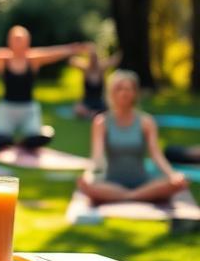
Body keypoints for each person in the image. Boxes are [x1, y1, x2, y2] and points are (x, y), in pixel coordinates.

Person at [77, 70, 188, 203]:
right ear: (111, 93)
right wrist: (89, 175)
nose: (124, 93)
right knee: (87, 186)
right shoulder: (101, 122)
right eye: (119, 89)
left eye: (128, 89)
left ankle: (126, 196)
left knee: (175, 184)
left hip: (142, 181)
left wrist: (173, 175)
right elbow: (97, 156)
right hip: (111, 182)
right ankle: (138, 196)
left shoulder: (146, 121)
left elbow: (156, 155)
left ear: (135, 93)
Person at [0, 26, 88, 149]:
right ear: (9, 41)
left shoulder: (33, 60)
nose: (18, 43)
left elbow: (53, 53)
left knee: (42, 136)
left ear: (27, 41)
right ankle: (10, 140)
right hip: (7, 109)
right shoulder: (2, 59)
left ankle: (23, 141)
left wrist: (73, 49)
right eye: (15, 39)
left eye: (21, 40)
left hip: (29, 109)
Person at [70, 48, 122, 119]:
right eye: (92, 57)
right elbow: (72, 61)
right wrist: (81, 48)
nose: (93, 60)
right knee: (78, 109)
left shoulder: (101, 68)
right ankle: (93, 114)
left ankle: (93, 114)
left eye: (95, 57)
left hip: (99, 101)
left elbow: (115, 60)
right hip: (87, 101)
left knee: (112, 110)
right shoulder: (85, 68)